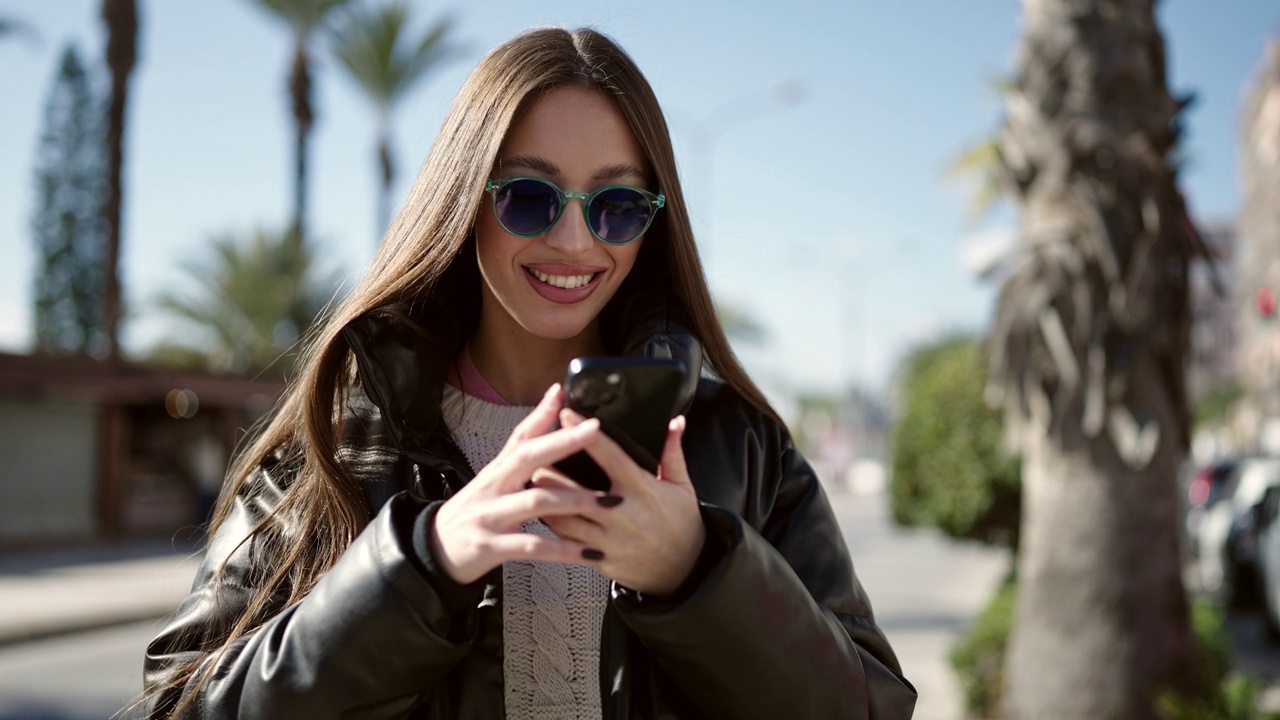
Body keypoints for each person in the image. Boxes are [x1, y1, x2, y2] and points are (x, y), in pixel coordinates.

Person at [141, 26, 916, 720]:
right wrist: (423, 563)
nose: (577, 240)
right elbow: (178, 706)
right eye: (529, 197)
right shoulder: (335, 452)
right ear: (463, 202)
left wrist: (697, 571)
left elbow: (872, 707)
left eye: (617, 205)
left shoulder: (740, 451)